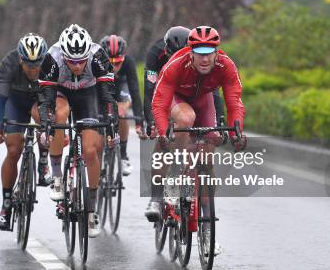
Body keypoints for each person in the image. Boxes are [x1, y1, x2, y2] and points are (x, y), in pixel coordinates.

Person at [150, 25, 247, 255]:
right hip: (177, 100)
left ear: (216, 52)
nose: (204, 58)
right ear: (190, 52)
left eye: (209, 52)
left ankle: (206, 226)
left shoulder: (227, 66)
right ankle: (173, 176)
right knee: (186, 118)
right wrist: (164, 133)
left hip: (204, 101)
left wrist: (236, 134)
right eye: (199, 52)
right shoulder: (175, 64)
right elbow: (159, 103)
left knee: (207, 156)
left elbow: (234, 103)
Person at [38, 24, 117, 238]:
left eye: (81, 60)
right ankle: (56, 176)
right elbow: (45, 99)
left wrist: (112, 127)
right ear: (64, 56)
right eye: (72, 62)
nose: (77, 66)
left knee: (90, 151)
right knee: (60, 115)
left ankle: (91, 211)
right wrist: (47, 124)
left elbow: (108, 97)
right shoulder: (52, 58)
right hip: (61, 92)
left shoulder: (98, 56)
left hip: (88, 94)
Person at [0, 33, 50, 231]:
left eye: (37, 66)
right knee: (13, 150)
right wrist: (0, 128)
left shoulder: (50, 65)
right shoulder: (8, 64)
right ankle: (6, 204)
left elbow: (53, 100)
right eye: (29, 66)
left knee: (45, 124)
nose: (34, 70)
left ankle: (43, 161)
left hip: (38, 101)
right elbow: (0, 102)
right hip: (14, 103)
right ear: (20, 59)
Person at [99, 35, 146, 175]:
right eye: (109, 63)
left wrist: (139, 123)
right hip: (102, 87)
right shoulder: (96, 62)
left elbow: (135, 93)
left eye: (117, 63)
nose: (113, 67)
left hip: (121, 87)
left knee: (122, 112)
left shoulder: (129, 63)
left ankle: (124, 154)